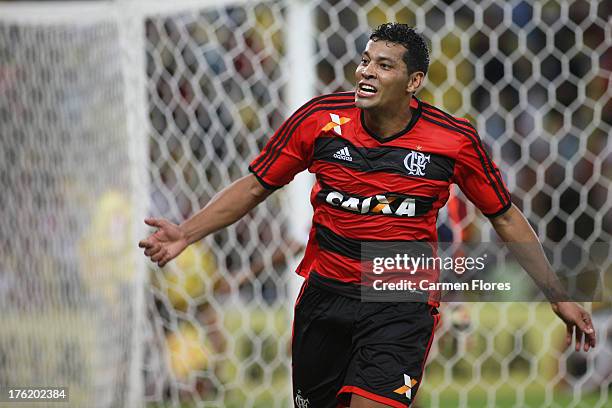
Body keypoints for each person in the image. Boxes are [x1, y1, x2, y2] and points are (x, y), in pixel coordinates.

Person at [139, 23, 597, 408]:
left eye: (384, 64)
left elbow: (504, 217)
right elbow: (258, 184)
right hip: (325, 295)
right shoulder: (319, 120)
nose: (366, 72)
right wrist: (186, 232)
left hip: (400, 300)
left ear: (414, 81)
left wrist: (556, 294)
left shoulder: (453, 141)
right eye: (365, 60)